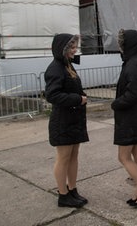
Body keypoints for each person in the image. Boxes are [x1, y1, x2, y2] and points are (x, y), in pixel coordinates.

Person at [44, 33, 89, 208]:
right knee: (63, 158)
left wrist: (80, 96)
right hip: (62, 121)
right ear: (62, 49)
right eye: (71, 47)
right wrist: (77, 99)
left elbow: (71, 87)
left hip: (74, 119)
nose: (74, 50)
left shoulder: (68, 65)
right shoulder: (55, 68)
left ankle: (72, 189)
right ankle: (63, 194)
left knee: (73, 156)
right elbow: (52, 95)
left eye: (75, 46)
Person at [111, 29, 137, 208]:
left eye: (122, 42)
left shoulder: (132, 63)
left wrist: (116, 103)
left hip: (130, 117)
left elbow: (134, 92)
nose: (120, 46)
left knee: (123, 157)